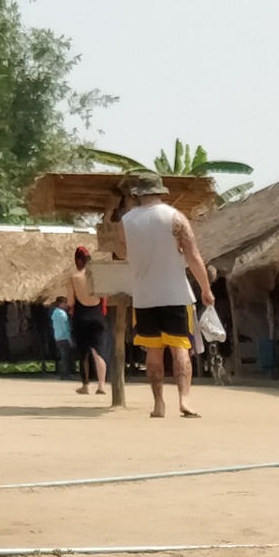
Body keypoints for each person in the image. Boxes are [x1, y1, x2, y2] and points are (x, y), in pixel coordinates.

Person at [121, 174, 214, 418]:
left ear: (138, 194)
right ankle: (184, 400)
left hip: (143, 296)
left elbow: (122, 251)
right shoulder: (175, 217)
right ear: (161, 192)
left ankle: (158, 404)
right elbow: (193, 255)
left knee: (153, 352)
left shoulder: (127, 221)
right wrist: (206, 289)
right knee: (180, 349)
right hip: (175, 293)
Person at [69, 246, 109, 395]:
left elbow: (71, 301)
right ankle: (101, 385)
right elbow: (105, 297)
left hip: (81, 316)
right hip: (97, 315)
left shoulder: (74, 278)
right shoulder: (98, 277)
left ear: (77, 260)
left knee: (83, 353)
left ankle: (85, 386)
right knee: (98, 352)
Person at [47, 298, 74, 380]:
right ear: (60, 304)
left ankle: (64, 373)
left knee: (63, 356)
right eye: (65, 303)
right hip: (64, 338)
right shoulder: (62, 314)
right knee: (65, 356)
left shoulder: (54, 313)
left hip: (57, 337)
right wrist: (70, 340)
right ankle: (65, 374)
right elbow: (66, 329)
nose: (66, 305)